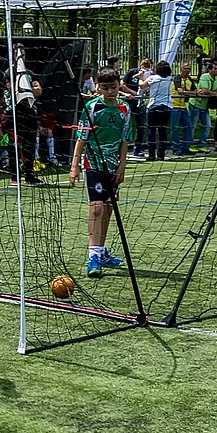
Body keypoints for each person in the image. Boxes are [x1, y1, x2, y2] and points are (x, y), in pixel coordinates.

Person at [67, 69, 133, 278]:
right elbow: (81, 139)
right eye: (104, 88)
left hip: (113, 166)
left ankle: (101, 251)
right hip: (93, 163)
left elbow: (124, 141)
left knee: (108, 209)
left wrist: (122, 167)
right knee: (96, 208)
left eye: (113, 87)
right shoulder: (91, 107)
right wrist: (74, 166)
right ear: (97, 87)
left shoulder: (125, 109)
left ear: (119, 84)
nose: (110, 91)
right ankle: (93, 256)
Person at [141, 60, 173, 161]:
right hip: (167, 106)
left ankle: (151, 154)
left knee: (152, 130)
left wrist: (140, 77)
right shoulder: (169, 78)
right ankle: (161, 154)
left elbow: (142, 86)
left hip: (154, 106)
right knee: (163, 130)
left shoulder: (152, 78)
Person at [195, 61, 217, 152]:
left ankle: (201, 144)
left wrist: (212, 93)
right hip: (196, 104)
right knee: (192, 125)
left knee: (207, 125)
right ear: (209, 69)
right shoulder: (204, 76)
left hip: (205, 105)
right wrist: (213, 93)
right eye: (215, 68)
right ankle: (188, 144)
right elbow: (204, 90)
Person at [170, 61, 195, 156]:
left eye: (189, 69)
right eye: (185, 68)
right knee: (174, 128)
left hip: (184, 106)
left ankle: (186, 147)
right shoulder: (177, 78)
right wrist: (194, 93)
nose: (187, 71)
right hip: (175, 106)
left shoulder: (190, 80)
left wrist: (198, 92)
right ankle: (175, 148)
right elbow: (180, 91)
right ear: (181, 69)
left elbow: (194, 89)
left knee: (188, 126)